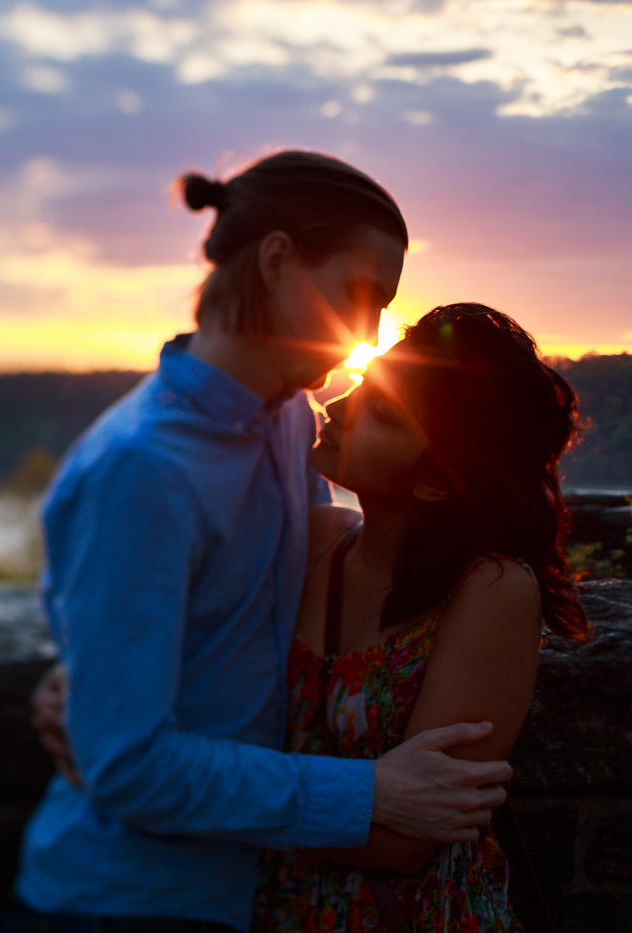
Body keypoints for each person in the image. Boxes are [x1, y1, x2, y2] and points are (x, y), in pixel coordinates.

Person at [3, 152, 514, 933]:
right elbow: (128, 765)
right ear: (276, 261)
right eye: (359, 293)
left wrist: (89, 677)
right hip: (119, 903)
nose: (367, 334)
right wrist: (370, 794)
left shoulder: (285, 423)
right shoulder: (142, 469)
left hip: (243, 896)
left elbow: (265, 628)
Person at [252, 304, 594, 932]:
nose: (337, 405)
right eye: (361, 382)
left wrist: (186, 798)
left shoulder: (490, 590)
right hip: (275, 905)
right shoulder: (315, 541)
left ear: (438, 482)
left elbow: (408, 842)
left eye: (381, 413)